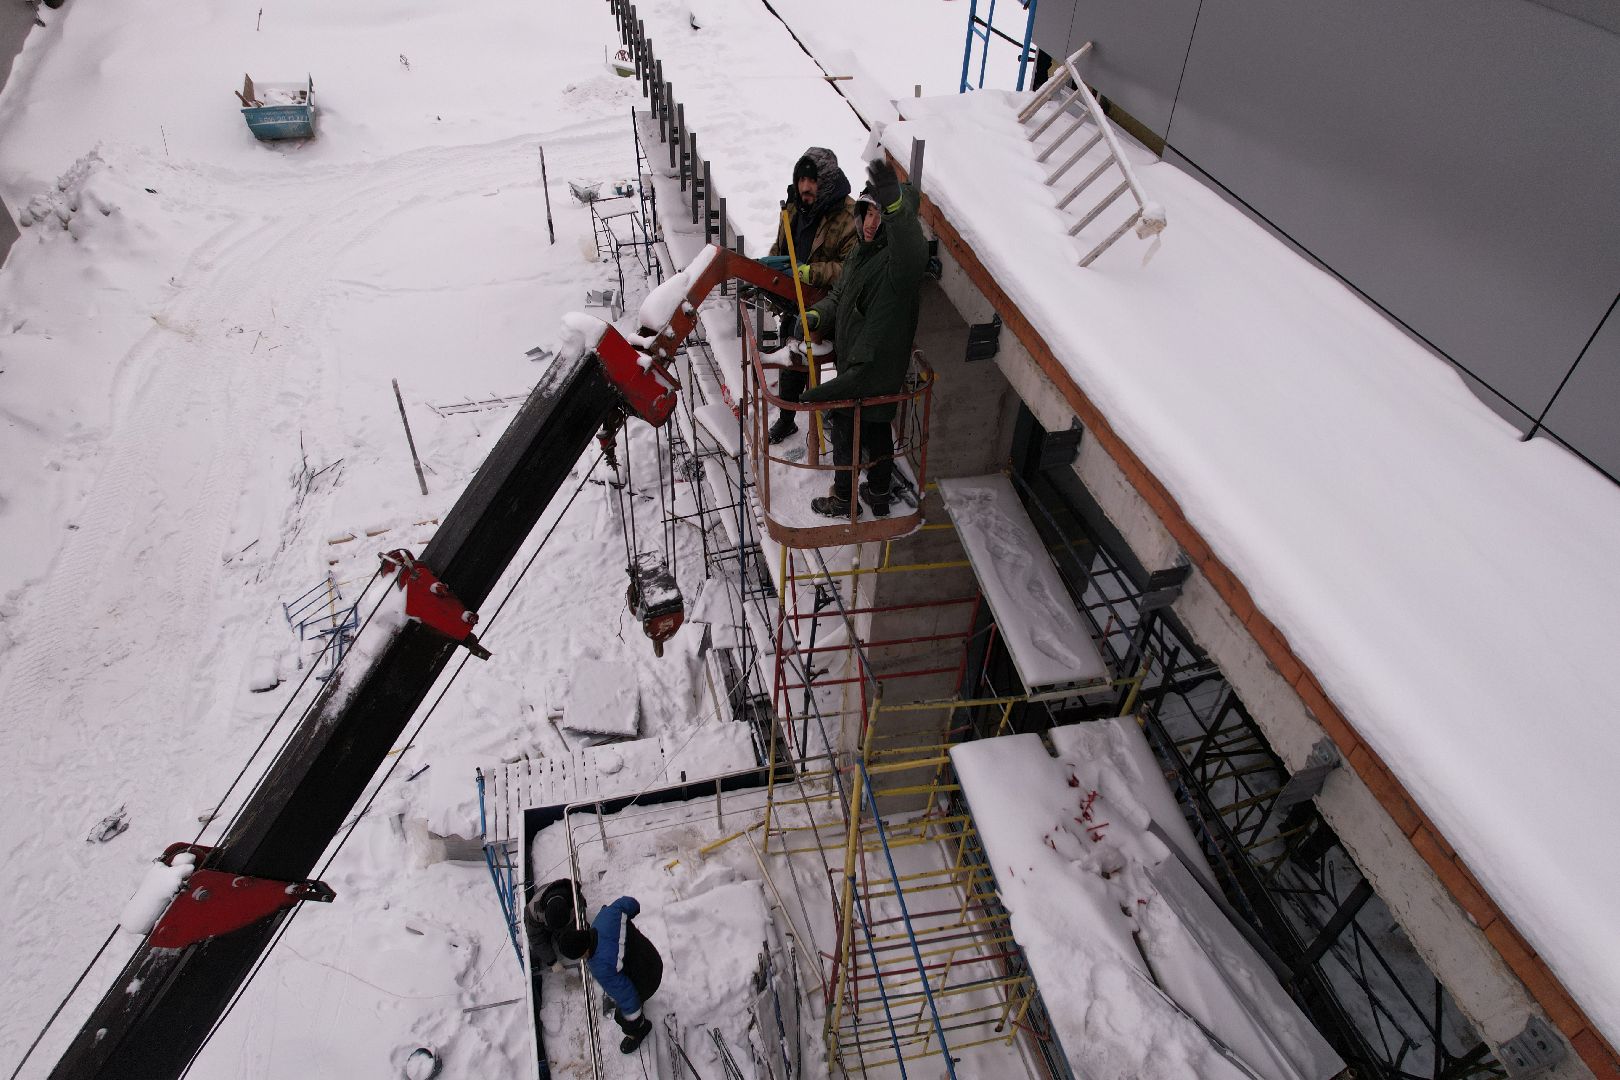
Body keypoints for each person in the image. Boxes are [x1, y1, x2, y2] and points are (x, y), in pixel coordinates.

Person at [797, 158, 927, 518]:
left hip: (871, 369)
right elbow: (841, 294)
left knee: (846, 428)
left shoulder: (897, 264)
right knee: (877, 428)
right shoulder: (861, 252)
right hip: (859, 363)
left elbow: (913, 251)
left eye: (879, 216)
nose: (870, 223)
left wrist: (896, 209)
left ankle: (844, 498)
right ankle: (880, 493)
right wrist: (818, 314)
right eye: (867, 213)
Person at [761, 147, 856, 444]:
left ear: (825, 182)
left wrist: (810, 273)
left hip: (831, 307)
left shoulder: (848, 217)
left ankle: (840, 418)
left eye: (812, 181)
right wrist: (771, 269)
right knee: (790, 354)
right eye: (801, 179)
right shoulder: (793, 208)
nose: (805, 187)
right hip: (794, 299)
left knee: (835, 362)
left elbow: (850, 268)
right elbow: (780, 247)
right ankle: (787, 418)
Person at [556, 895, 664, 1055]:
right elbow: (630, 904)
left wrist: (632, 1021)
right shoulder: (605, 916)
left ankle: (640, 1030)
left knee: (623, 1017)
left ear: (581, 954)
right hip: (652, 957)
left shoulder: (601, 967)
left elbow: (627, 996)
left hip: (648, 978)